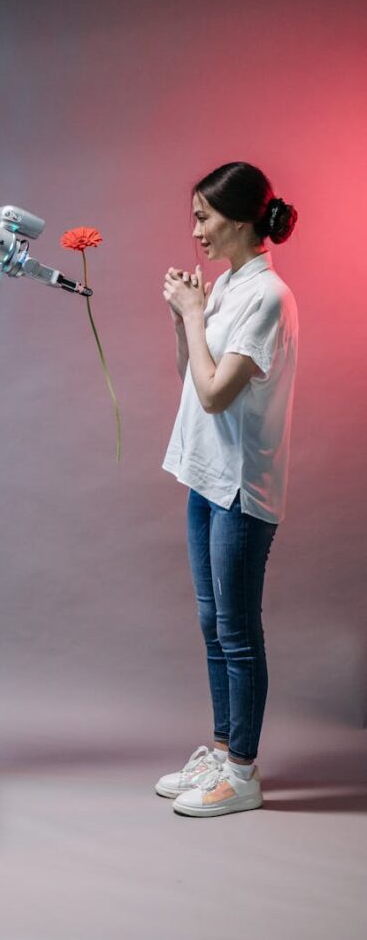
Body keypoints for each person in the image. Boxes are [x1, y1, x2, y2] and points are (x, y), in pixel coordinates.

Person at [156, 161, 299, 817]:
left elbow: (216, 396)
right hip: (204, 477)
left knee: (237, 630)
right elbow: (193, 372)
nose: (196, 230)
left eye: (205, 217)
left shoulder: (268, 297)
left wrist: (192, 310)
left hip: (240, 487)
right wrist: (184, 314)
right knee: (212, 623)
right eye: (194, 217)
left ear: (242, 220)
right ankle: (220, 750)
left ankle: (242, 772)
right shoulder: (227, 285)